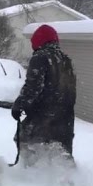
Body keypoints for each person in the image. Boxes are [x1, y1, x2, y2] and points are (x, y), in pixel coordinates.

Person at [11, 24, 77, 164]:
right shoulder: (66, 60)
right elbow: (70, 92)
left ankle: (31, 174)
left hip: (44, 118)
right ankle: (67, 180)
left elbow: (33, 88)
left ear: (38, 41)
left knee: (25, 142)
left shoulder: (41, 58)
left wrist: (19, 105)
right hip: (66, 120)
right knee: (61, 155)